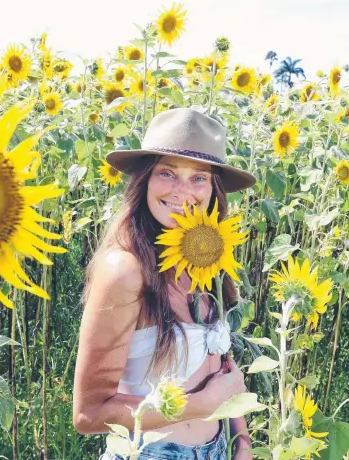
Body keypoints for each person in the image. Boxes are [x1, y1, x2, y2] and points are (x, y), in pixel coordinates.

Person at [73, 108, 257, 459]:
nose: (182, 191)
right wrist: (201, 404)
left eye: (199, 178)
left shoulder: (205, 256)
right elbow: (89, 414)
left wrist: (242, 444)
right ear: (145, 180)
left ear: (213, 189)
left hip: (220, 449)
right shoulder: (125, 271)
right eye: (167, 173)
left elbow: (222, 366)